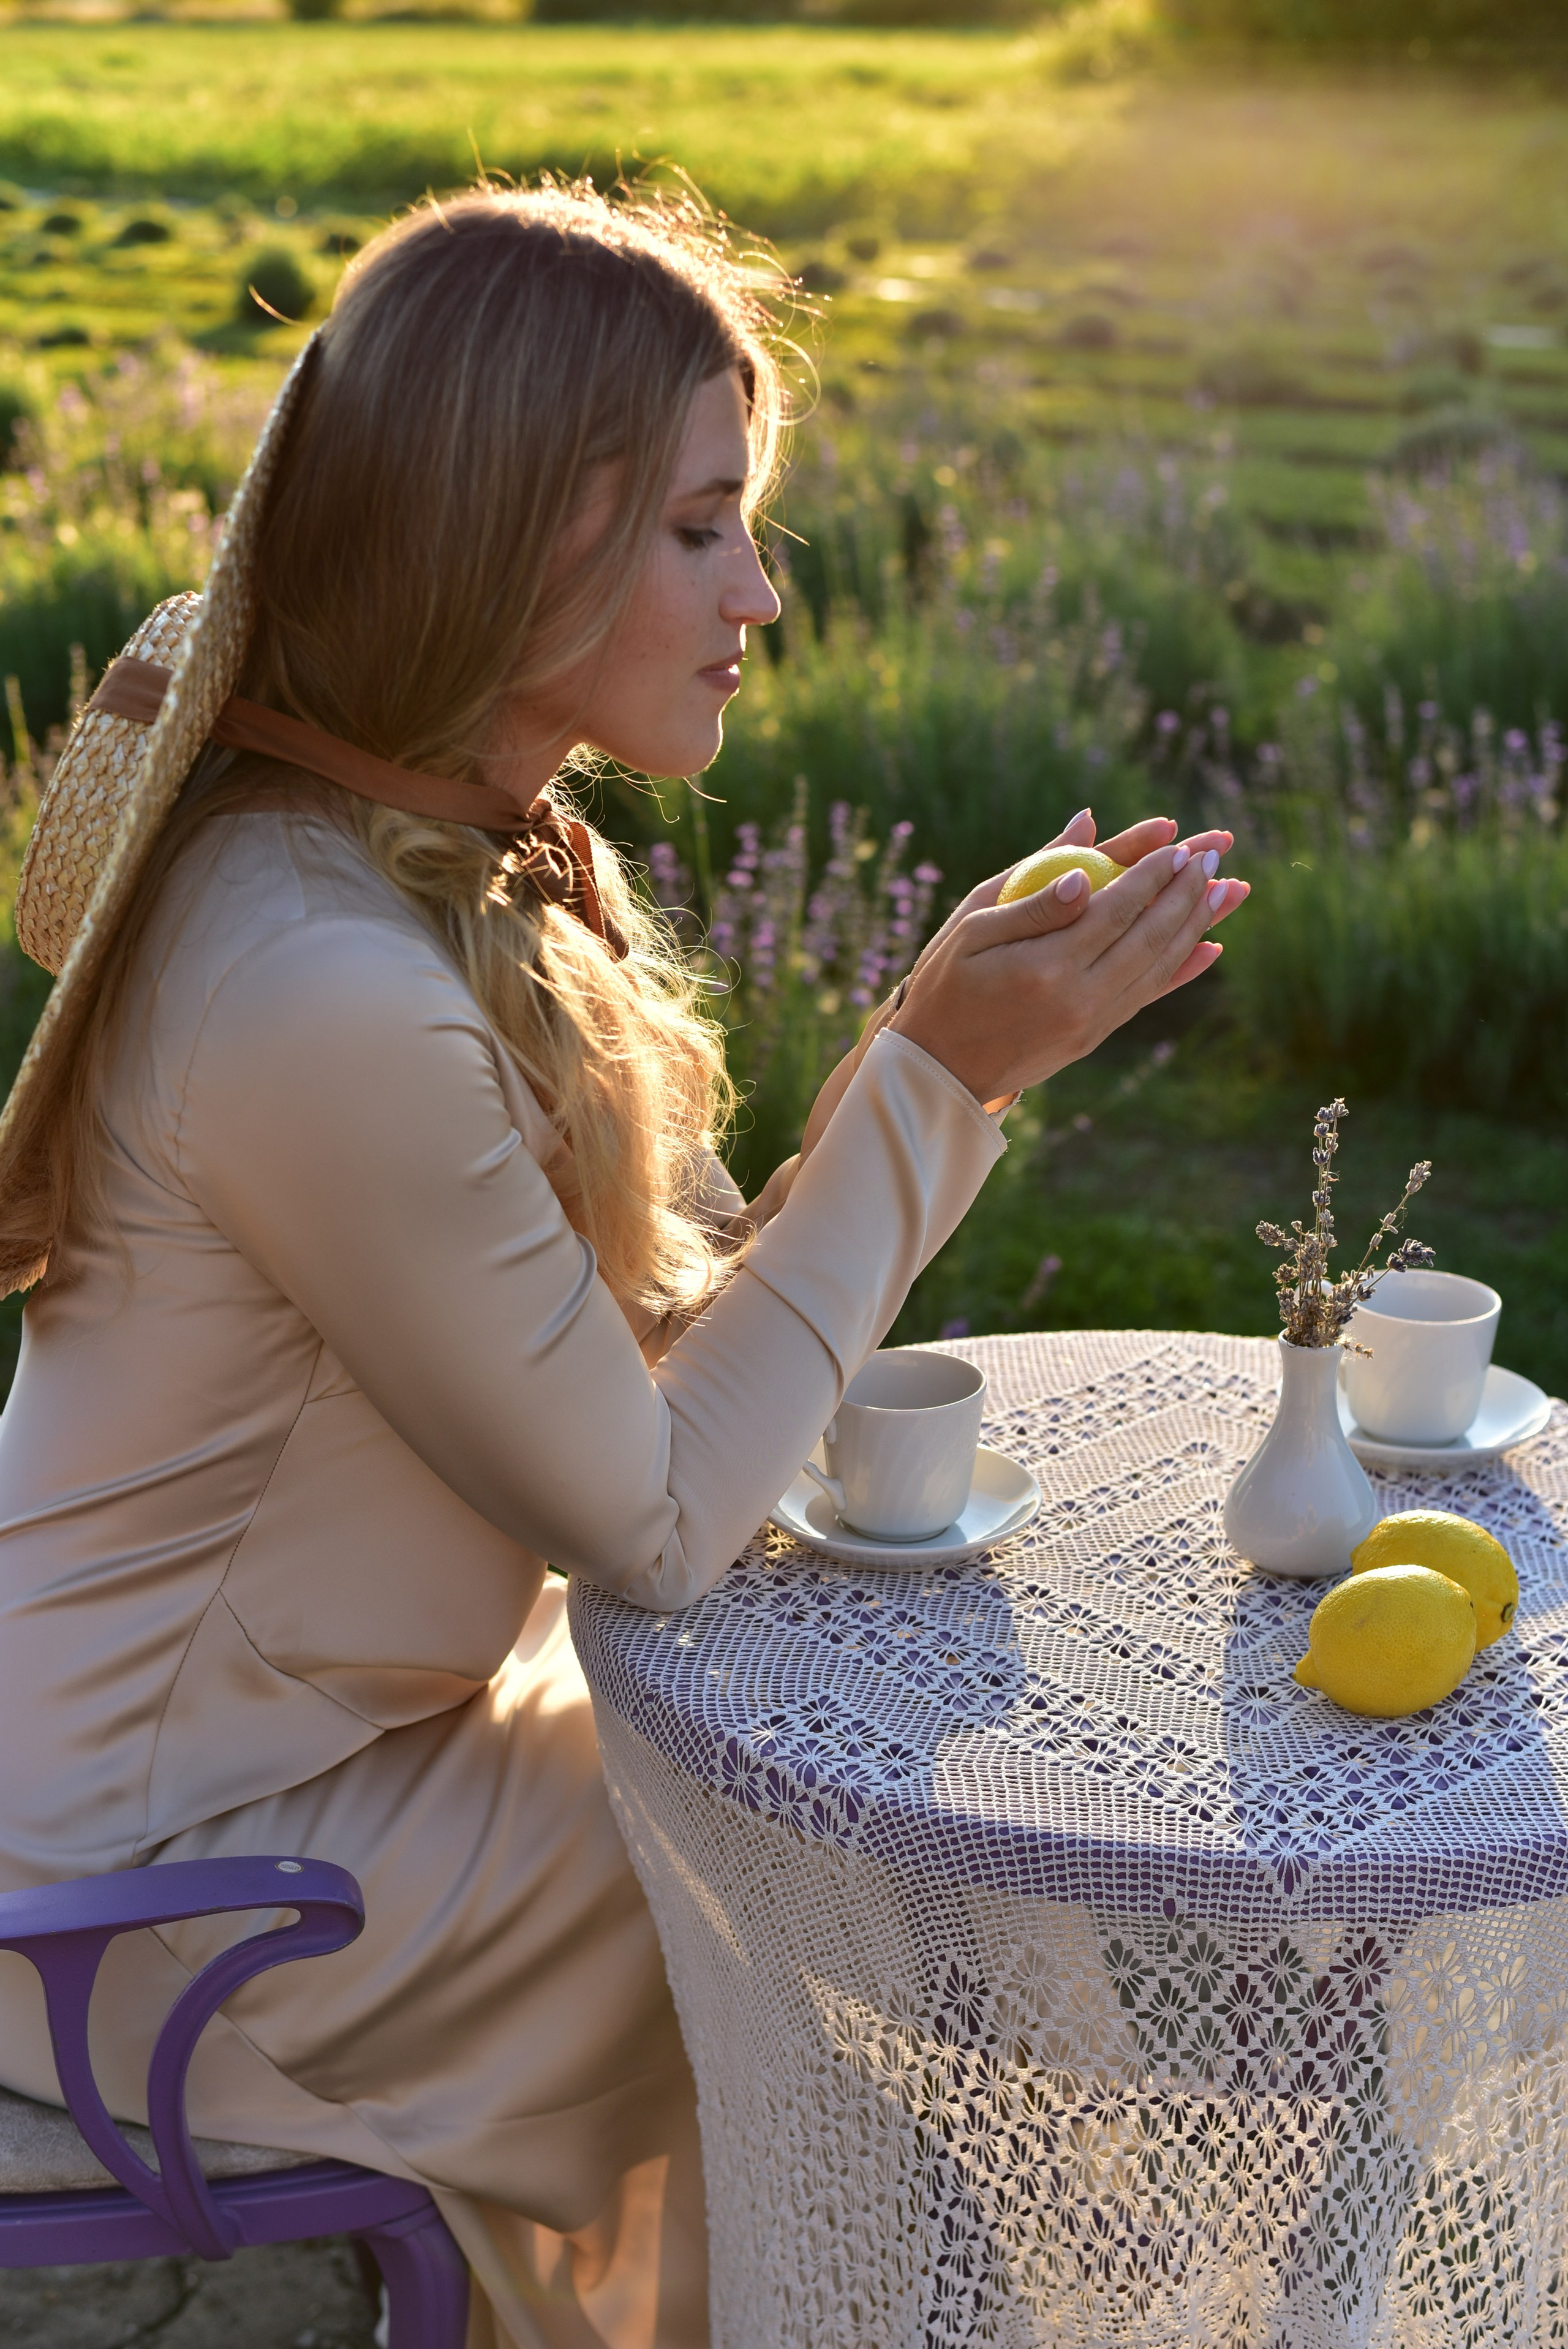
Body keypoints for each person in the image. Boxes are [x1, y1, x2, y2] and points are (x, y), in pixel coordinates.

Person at [0, 184, 1246, 2348]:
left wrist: (922, 1056)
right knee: (889, 1876)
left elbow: (637, 1371)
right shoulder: (315, 979)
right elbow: (661, 1520)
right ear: (515, 541)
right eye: (699, 527)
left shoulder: (405, 872)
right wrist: (935, 1085)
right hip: (153, 1882)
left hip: (302, 1756)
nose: (760, 586)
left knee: (901, 1805)